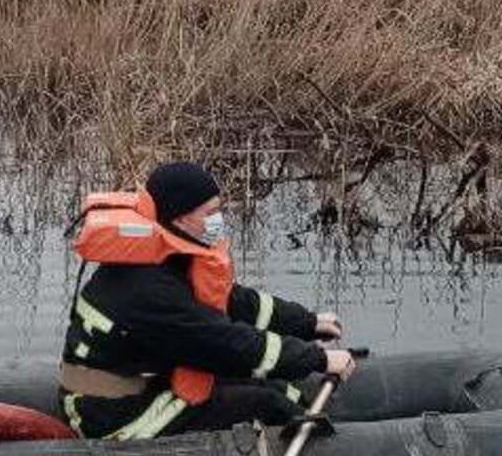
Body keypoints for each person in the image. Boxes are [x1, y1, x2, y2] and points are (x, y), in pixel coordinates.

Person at [57, 161, 355, 439]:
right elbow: (224, 343)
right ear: (180, 218)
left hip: (139, 384)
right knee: (265, 401)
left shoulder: (166, 260)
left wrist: (308, 323)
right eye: (210, 213)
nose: (218, 221)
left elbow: (237, 302)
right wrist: (319, 359)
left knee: (275, 387)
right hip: (110, 414)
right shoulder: (149, 289)